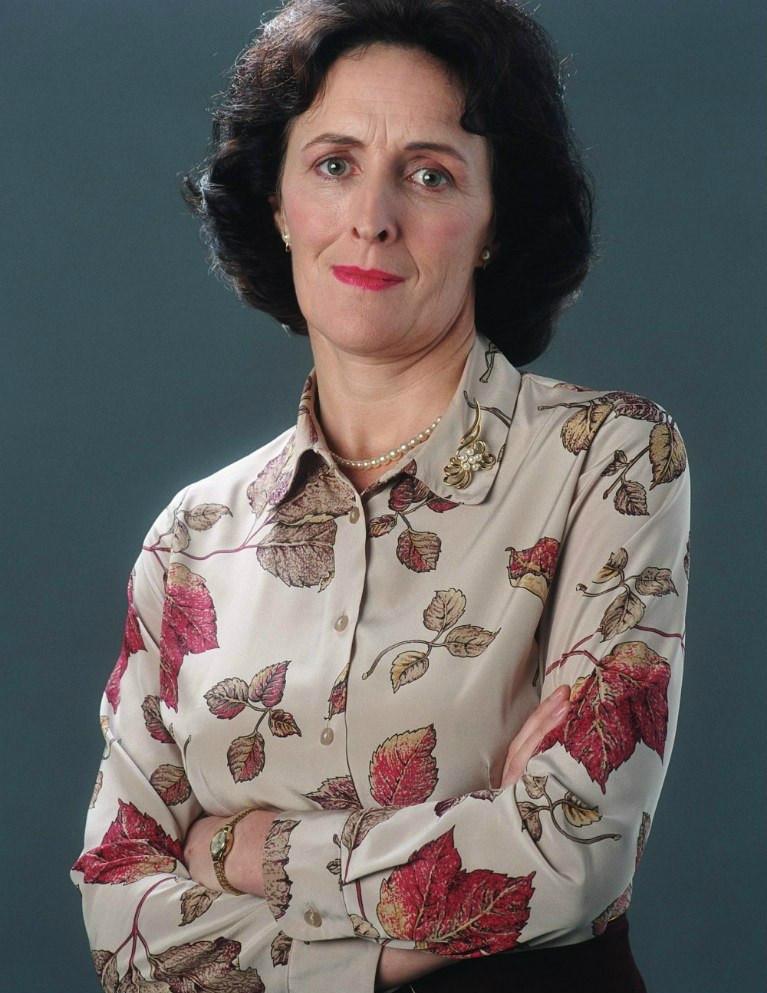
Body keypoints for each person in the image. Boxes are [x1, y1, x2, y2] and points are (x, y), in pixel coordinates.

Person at [71, 2, 690, 991]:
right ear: (279, 204)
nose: (372, 217)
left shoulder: (605, 458)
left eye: (429, 173)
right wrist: (425, 923)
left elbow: (570, 859)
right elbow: (122, 920)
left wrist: (243, 849)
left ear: (493, 221)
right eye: (333, 164)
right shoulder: (193, 536)